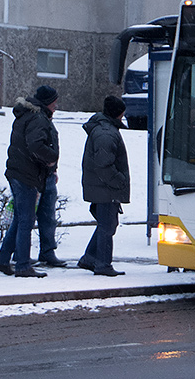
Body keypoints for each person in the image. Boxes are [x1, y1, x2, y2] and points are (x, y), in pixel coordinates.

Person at [0, 85, 61, 278]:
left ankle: (3, 260)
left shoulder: (27, 115)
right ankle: (22, 265)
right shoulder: (38, 118)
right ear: (48, 102)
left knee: (20, 219)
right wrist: (52, 158)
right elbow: (35, 145)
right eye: (55, 102)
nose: (56, 105)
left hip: (18, 172)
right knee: (26, 221)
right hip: (26, 175)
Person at [78, 96, 131, 276]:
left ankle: (90, 258)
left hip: (101, 186)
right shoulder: (107, 133)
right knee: (107, 226)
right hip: (105, 188)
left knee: (107, 224)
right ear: (119, 113)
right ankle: (102, 264)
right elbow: (104, 164)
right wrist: (119, 181)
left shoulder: (104, 130)